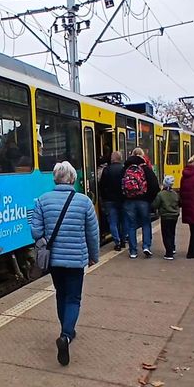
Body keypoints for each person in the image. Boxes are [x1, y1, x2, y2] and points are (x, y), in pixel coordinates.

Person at [30, 161, 99, 367]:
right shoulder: (84, 201)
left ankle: (65, 330)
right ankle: (66, 335)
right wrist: (94, 255)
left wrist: (45, 246)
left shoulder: (42, 200)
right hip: (76, 260)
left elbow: (36, 231)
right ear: (72, 179)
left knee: (61, 294)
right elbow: (92, 233)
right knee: (74, 298)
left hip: (55, 261)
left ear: (55, 178)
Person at [122, 147, 159, 259]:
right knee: (146, 223)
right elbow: (155, 185)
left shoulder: (125, 168)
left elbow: (120, 185)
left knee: (131, 226)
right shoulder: (146, 169)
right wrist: (149, 199)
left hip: (129, 201)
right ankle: (146, 246)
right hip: (143, 201)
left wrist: (124, 197)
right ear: (142, 156)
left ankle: (133, 251)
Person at [99, 151, 126, 251]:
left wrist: (104, 197)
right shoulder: (124, 169)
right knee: (123, 221)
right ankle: (123, 240)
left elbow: (102, 185)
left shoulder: (106, 170)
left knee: (113, 222)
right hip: (122, 199)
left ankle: (117, 242)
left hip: (109, 200)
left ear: (112, 159)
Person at [152, 175, 180, 260]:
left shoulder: (161, 194)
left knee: (166, 235)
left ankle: (169, 253)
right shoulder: (175, 194)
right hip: (174, 216)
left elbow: (155, 205)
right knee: (172, 233)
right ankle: (173, 248)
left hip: (165, 216)